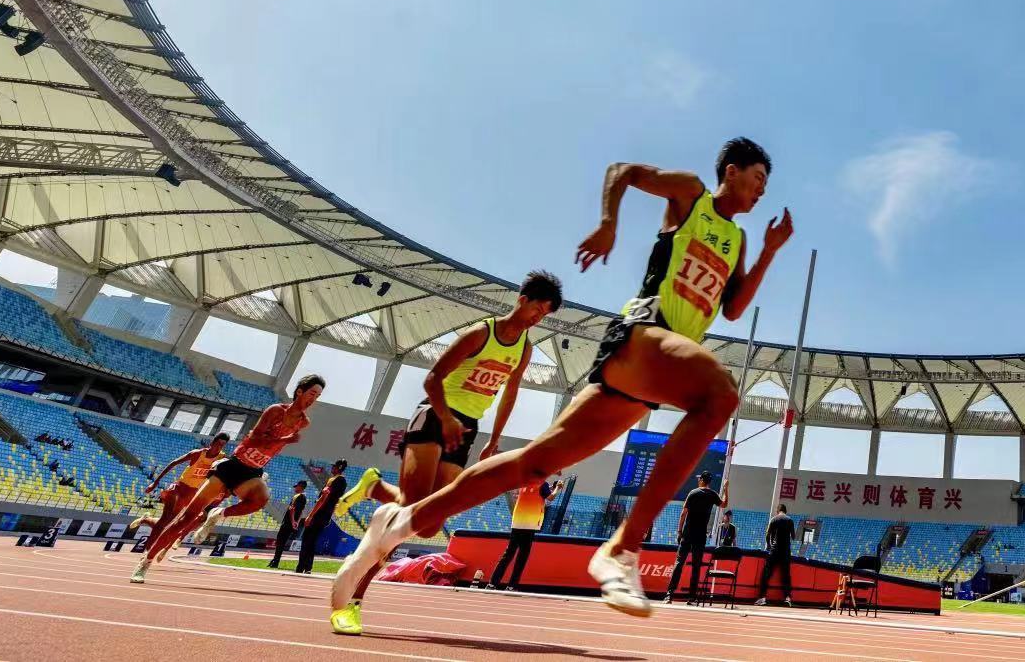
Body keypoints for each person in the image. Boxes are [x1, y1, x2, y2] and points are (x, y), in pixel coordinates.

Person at [332, 140, 792, 631]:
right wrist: (609, 224)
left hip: (653, 375)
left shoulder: (737, 241)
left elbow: (735, 307)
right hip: (640, 337)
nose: (763, 189)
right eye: (759, 177)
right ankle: (623, 548)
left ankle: (398, 522)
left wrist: (767, 251)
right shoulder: (691, 195)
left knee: (534, 462)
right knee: (719, 396)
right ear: (732, 170)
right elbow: (624, 169)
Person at [339, 271, 564, 520]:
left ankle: (374, 487)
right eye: (537, 309)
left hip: (467, 427)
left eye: (544, 315)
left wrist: (494, 440)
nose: (538, 318)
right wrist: (446, 419)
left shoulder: (525, 349)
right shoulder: (480, 333)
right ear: (522, 300)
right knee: (412, 508)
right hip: (437, 413)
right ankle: (374, 486)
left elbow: (509, 395)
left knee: (430, 521)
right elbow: (432, 379)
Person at [131, 375, 323, 582]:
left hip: (254, 470)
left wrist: (281, 442)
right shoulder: (276, 410)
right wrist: (285, 438)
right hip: (234, 465)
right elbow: (257, 437)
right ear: (300, 391)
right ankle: (145, 562)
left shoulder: (304, 422)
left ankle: (218, 513)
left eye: (318, 396)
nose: (314, 399)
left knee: (260, 499)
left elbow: (273, 447)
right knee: (185, 519)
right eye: (312, 393)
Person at [133, 432, 227, 541]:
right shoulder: (197, 454)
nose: (219, 447)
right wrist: (155, 483)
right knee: (168, 523)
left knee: (197, 518)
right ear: (212, 443)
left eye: (222, 445)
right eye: (218, 443)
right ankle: (148, 525)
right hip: (181, 488)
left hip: (194, 492)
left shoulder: (222, 457)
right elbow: (173, 463)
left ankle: (152, 524)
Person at [669, 473, 725, 603]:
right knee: (696, 566)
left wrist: (679, 531)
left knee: (679, 563)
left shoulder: (693, 493)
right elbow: (724, 504)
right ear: (709, 482)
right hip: (700, 536)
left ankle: (669, 594)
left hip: (688, 533)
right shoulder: (713, 495)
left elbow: (683, 514)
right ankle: (692, 597)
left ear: (701, 480)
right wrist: (726, 488)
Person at [491, 478, 555, 591]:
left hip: (517, 523)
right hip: (529, 525)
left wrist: (550, 488)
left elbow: (538, 492)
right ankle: (511, 586)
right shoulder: (543, 484)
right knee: (522, 557)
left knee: (508, 554)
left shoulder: (525, 483)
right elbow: (550, 497)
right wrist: (558, 489)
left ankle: (492, 583)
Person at [294, 461, 348, 574]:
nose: (332, 468)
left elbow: (323, 498)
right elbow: (336, 501)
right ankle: (308, 567)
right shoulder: (343, 482)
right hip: (326, 515)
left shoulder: (334, 480)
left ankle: (300, 567)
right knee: (312, 541)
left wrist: (310, 515)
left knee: (307, 539)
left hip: (319, 513)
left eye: (334, 466)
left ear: (338, 468)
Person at [760, 502, 795, 605]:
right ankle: (787, 597)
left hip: (775, 550)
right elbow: (793, 536)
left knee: (767, 573)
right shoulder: (790, 520)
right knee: (786, 575)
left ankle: (762, 597)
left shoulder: (774, 519)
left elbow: (767, 534)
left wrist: (769, 546)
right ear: (785, 511)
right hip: (786, 552)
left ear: (777, 511)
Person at [269, 480, 309, 569]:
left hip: (288, 523)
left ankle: (275, 561)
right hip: (292, 523)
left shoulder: (298, 496)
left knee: (280, 541)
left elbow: (292, 510)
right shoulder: (303, 498)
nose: (295, 488)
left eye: (297, 486)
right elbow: (301, 511)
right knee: (282, 541)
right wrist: (296, 522)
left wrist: (292, 522)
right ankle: (275, 560)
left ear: (300, 486)